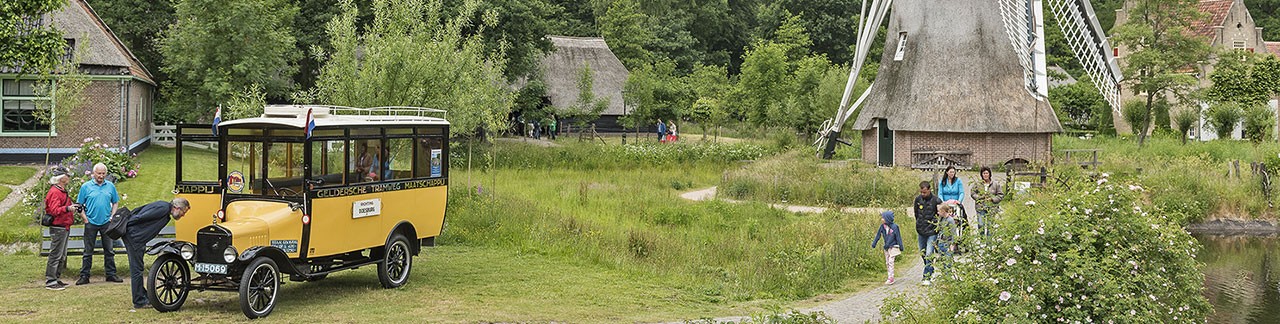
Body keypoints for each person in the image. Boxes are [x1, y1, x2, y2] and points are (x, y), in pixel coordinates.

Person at [124, 198, 190, 310]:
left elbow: (139, 211)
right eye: (183, 212)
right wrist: (128, 227)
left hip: (137, 238)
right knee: (137, 270)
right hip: (135, 238)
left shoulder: (164, 210)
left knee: (138, 268)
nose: (183, 215)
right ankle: (139, 300)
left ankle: (142, 296)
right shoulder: (163, 208)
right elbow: (140, 216)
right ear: (177, 208)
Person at [77, 163, 121, 285]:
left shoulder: (110, 186)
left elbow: (115, 202)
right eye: (99, 173)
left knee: (109, 250)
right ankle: (84, 276)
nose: (101, 176)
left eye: (103, 174)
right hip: (91, 222)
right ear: (94, 173)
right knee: (88, 251)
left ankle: (111, 274)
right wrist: (85, 219)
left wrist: (112, 216)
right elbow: (79, 205)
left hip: (106, 223)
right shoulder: (86, 187)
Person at [44, 167, 79, 290]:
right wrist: (68, 208)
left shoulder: (61, 191)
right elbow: (54, 210)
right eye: (67, 175)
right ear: (61, 178)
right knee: (56, 255)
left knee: (61, 255)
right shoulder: (55, 192)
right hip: (58, 226)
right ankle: (50, 280)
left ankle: (56, 278)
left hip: (63, 226)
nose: (69, 177)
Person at [913, 181, 942, 285]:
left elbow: (940, 215)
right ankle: (931, 269)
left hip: (932, 232)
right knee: (923, 253)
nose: (923, 194)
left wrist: (936, 227)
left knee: (929, 253)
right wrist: (919, 224)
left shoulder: (936, 200)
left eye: (924, 192)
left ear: (929, 190)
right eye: (921, 192)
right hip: (921, 230)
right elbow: (916, 213)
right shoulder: (918, 200)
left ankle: (926, 277)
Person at [871, 210, 903, 285]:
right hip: (886, 247)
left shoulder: (895, 227)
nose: (882, 219)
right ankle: (889, 275)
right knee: (887, 262)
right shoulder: (882, 227)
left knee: (891, 261)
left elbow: (898, 237)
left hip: (893, 247)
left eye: (883, 218)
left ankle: (891, 278)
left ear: (887, 219)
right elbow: (878, 235)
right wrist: (874, 243)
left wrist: (901, 246)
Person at [971, 167, 1004, 236]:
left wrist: (992, 199)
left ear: (989, 174)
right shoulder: (977, 184)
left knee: (990, 226)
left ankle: (989, 244)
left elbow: (1000, 195)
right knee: (981, 224)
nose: (985, 175)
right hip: (980, 207)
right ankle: (982, 241)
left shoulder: (995, 184)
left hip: (992, 207)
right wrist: (980, 197)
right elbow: (973, 193)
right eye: (984, 173)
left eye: (987, 173)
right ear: (981, 175)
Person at [936, 204, 960, 272]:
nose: (938, 213)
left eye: (939, 211)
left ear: (943, 211)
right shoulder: (941, 219)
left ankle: (948, 275)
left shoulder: (950, 220)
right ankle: (945, 276)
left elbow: (953, 233)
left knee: (948, 262)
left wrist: (952, 244)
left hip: (948, 243)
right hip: (941, 242)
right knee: (942, 261)